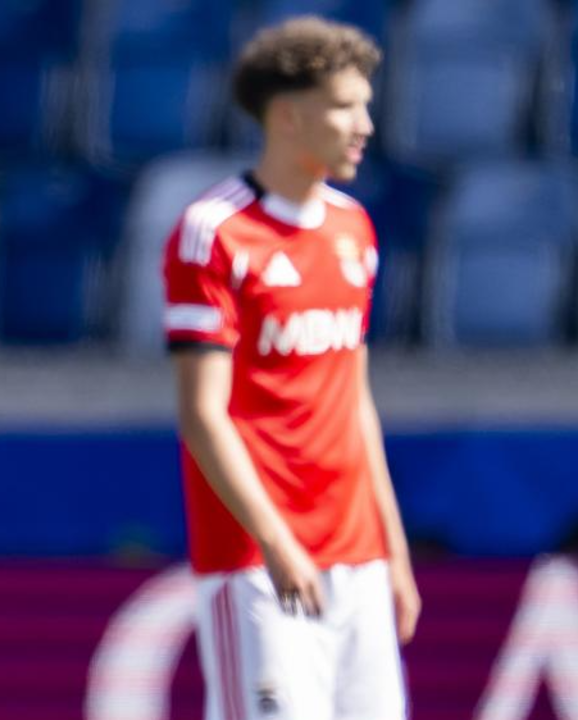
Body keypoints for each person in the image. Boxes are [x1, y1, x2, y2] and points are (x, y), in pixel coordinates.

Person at [162, 17, 420, 720]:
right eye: (346, 106)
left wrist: (392, 551)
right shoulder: (212, 232)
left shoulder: (354, 229)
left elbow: (354, 399)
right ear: (287, 115)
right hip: (258, 559)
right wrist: (277, 543)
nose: (365, 124)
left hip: (357, 555)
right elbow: (202, 413)